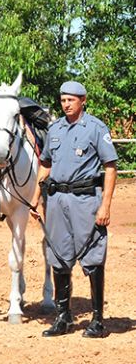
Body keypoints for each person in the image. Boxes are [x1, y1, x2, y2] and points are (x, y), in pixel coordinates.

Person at [30, 81, 117, 338]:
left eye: (71, 100)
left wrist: (106, 205)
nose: (66, 104)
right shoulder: (54, 128)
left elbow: (110, 167)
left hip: (85, 199)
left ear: (83, 100)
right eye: (63, 100)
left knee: (92, 256)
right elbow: (45, 163)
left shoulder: (95, 128)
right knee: (59, 256)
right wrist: (36, 196)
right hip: (57, 200)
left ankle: (98, 321)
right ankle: (63, 317)